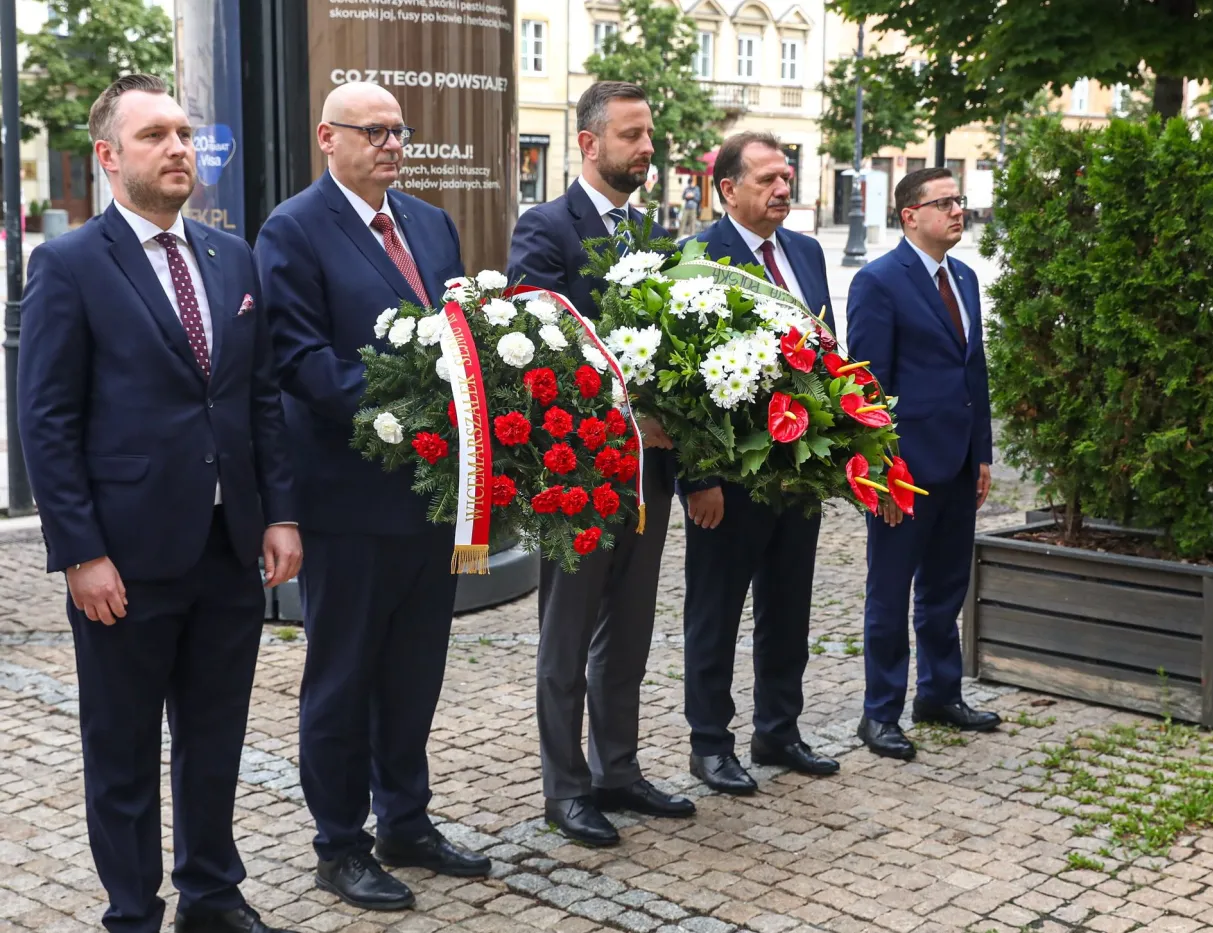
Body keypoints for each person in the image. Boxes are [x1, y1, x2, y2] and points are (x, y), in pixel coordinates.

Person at [17, 74, 301, 933]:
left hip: (227, 546)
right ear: (108, 156)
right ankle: (133, 912)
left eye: (182, 132)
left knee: (215, 739)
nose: (178, 147)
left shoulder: (230, 257)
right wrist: (80, 552)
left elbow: (257, 398)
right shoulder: (69, 264)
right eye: (154, 136)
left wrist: (279, 512)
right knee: (124, 749)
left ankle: (211, 895)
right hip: (125, 558)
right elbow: (47, 421)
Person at [254, 82, 488, 911]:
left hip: (430, 498)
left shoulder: (430, 223)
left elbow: (461, 335)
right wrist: (413, 410)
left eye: (399, 132)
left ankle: (406, 822)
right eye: (375, 131)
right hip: (348, 500)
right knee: (344, 678)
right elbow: (299, 361)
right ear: (329, 137)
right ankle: (339, 844)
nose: (393, 145)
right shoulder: (293, 229)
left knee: (414, 672)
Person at [507, 80, 694, 847]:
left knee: (631, 629)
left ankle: (617, 768)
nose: (647, 148)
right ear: (588, 143)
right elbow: (540, 347)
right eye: (631, 135)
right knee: (568, 635)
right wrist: (624, 410)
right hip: (576, 472)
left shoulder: (654, 234)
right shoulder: (545, 228)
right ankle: (566, 787)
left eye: (649, 135)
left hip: (649, 471)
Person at [681, 132, 838, 795]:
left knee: (788, 607)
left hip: (798, 468)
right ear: (728, 189)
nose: (782, 189)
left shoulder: (805, 251)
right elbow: (681, 382)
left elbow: (827, 352)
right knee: (715, 613)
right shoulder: (698, 259)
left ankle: (778, 727)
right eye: (768, 179)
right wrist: (698, 479)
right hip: (730, 478)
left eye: (786, 178)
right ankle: (710, 743)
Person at [846, 167, 1001, 762]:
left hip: (958, 463)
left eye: (959, 200)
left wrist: (981, 453)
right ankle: (880, 713)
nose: (958, 211)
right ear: (910, 215)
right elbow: (867, 387)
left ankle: (939, 694)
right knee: (890, 593)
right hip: (904, 471)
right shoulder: (879, 281)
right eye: (944, 203)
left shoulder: (964, 277)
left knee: (946, 589)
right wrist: (879, 471)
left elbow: (973, 370)